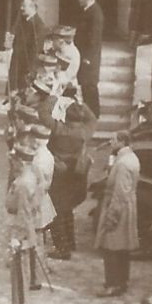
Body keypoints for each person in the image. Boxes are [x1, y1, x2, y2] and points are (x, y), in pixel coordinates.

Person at [4, 127, 57, 304]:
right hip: (24, 228)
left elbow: (24, 214)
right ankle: (20, 303)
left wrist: (18, 238)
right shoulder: (30, 175)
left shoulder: (24, 184)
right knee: (20, 269)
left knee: (19, 271)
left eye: (14, 160)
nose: (12, 164)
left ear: (20, 161)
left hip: (21, 231)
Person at [47, 95, 96, 260]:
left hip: (60, 173)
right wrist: (80, 103)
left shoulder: (59, 130)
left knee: (56, 211)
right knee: (68, 209)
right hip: (76, 174)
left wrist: (54, 98)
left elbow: (44, 116)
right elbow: (92, 117)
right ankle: (70, 242)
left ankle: (62, 248)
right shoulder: (84, 132)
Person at [96, 130, 140, 297]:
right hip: (128, 206)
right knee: (122, 248)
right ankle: (122, 281)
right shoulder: (131, 158)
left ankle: (113, 284)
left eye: (113, 140)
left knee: (112, 247)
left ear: (122, 141)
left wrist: (111, 216)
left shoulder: (122, 163)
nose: (111, 142)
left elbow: (119, 192)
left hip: (119, 207)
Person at [5, 0, 49, 97]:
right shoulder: (24, 21)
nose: (21, 8)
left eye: (24, 6)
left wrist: (30, 74)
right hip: (18, 67)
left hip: (26, 71)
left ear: (32, 7)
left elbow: (35, 52)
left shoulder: (38, 26)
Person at [74, 0, 104, 116]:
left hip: (89, 58)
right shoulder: (88, 11)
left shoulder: (95, 14)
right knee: (86, 86)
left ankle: (93, 114)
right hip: (84, 55)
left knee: (90, 86)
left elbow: (94, 39)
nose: (78, 0)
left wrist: (87, 58)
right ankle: (89, 114)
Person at [51, 26, 81, 97]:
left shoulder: (69, 53)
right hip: (63, 83)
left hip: (66, 87)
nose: (52, 42)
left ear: (61, 41)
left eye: (54, 39)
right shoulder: (63, 51)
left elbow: (61, 76)